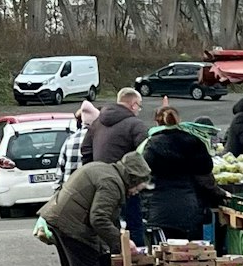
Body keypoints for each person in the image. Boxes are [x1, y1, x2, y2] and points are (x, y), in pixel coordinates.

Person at [40, 151, 151, 266]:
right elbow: (98, 218)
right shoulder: (112, 183)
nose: (136, 191)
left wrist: (113, 244)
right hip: (72, 225)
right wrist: (121, 242)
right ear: (132, 178)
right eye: (138, 186)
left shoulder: (104, 169)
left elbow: (101, 216)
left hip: (59, 218)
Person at [143, 107, 222, 241]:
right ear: (179, 121)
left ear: (157, 123)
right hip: (189, 208)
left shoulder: (151, 145)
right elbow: (205, 173)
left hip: (160, 208)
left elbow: (143, 173)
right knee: (191, 256)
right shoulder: (194, 142)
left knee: (163, 256)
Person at [89, 88, 151, 246]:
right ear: (134, 105)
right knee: (134, 226)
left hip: (99, 182)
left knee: (109, 225)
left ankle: (112, 263)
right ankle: (136, 263)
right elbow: (145, 152)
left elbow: (85, 150)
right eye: (140, 106)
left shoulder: (97, 122)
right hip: (128, 184)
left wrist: (93, 173)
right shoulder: (135, 125)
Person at [60, 99, 99, 181]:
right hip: (89, 186)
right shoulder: (99, 138)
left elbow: (60, 168)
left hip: (69, 187)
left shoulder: (70, 139)